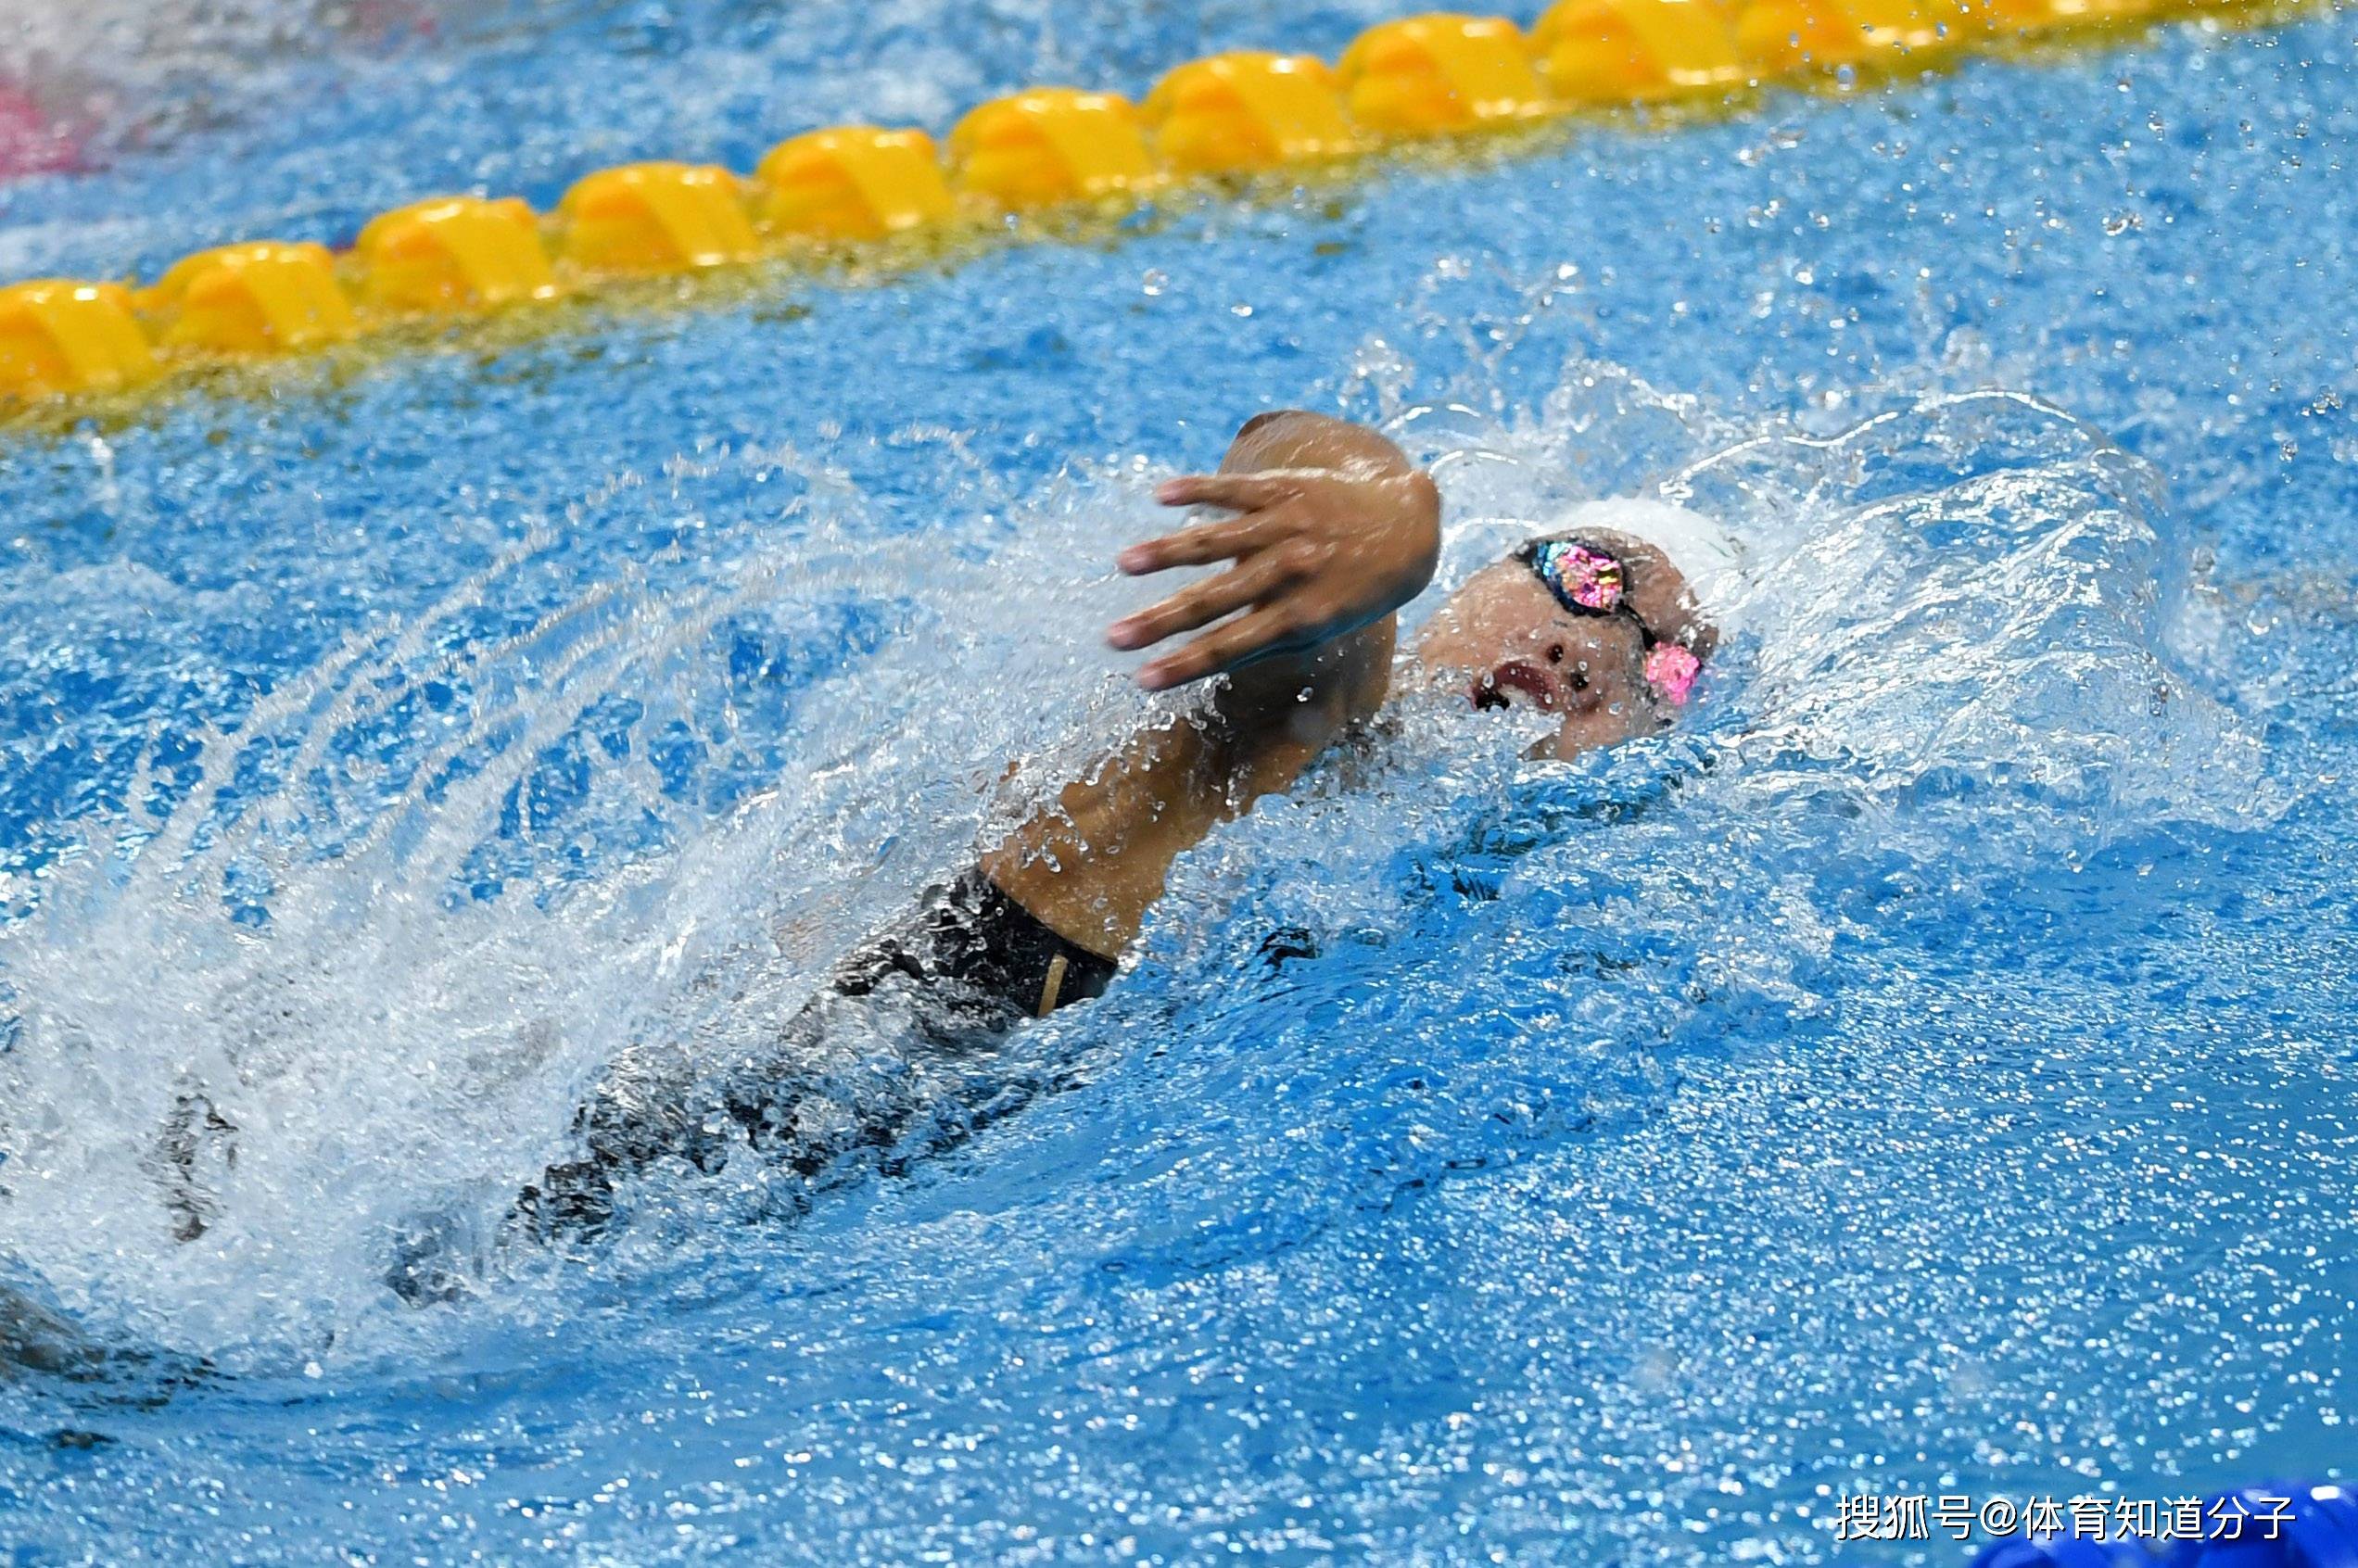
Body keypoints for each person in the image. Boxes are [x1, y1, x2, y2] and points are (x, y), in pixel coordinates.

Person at [504, 409, 1739, 1247]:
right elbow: (1312, 616)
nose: (1599, 654)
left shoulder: (1435, 880)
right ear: (1479, 572)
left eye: (1667, 671)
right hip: (689, 1123)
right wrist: (1379, 517)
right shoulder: (1303, 722)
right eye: (1591, 577)